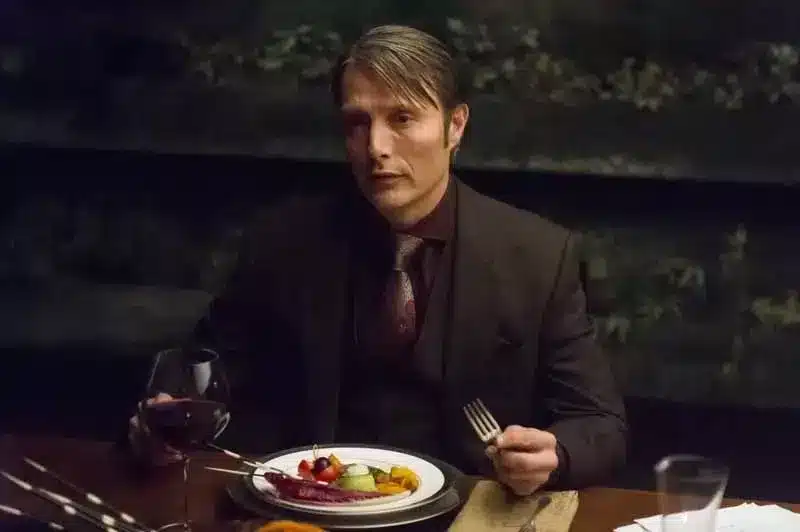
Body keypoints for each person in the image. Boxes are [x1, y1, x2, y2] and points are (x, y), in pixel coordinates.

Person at [129, 24, 627, 495]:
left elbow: (600, 424)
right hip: (313, 507)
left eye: (402, 119)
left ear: (455, 126)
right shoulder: (280, 245)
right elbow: (200, 379)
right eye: (357, 123)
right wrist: (157, 430)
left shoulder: (538, 257)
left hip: (468, 512)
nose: (376, 148)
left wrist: (555, 454)